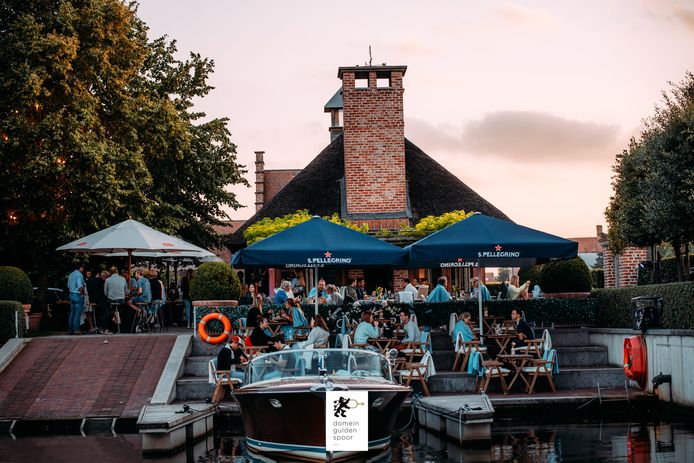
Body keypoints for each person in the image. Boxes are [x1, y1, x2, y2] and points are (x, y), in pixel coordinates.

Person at [67, 263, 85, 335]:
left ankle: (70, 329)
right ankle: (76, 329)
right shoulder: (79, 274)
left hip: (71, 294)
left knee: (72, 313)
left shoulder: (71, 274)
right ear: (80, 267)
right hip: (77, 294)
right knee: (78, 313)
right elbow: (80, 285)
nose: (83, 269)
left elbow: (68, 285)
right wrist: (81, 293)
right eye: (82, 267)